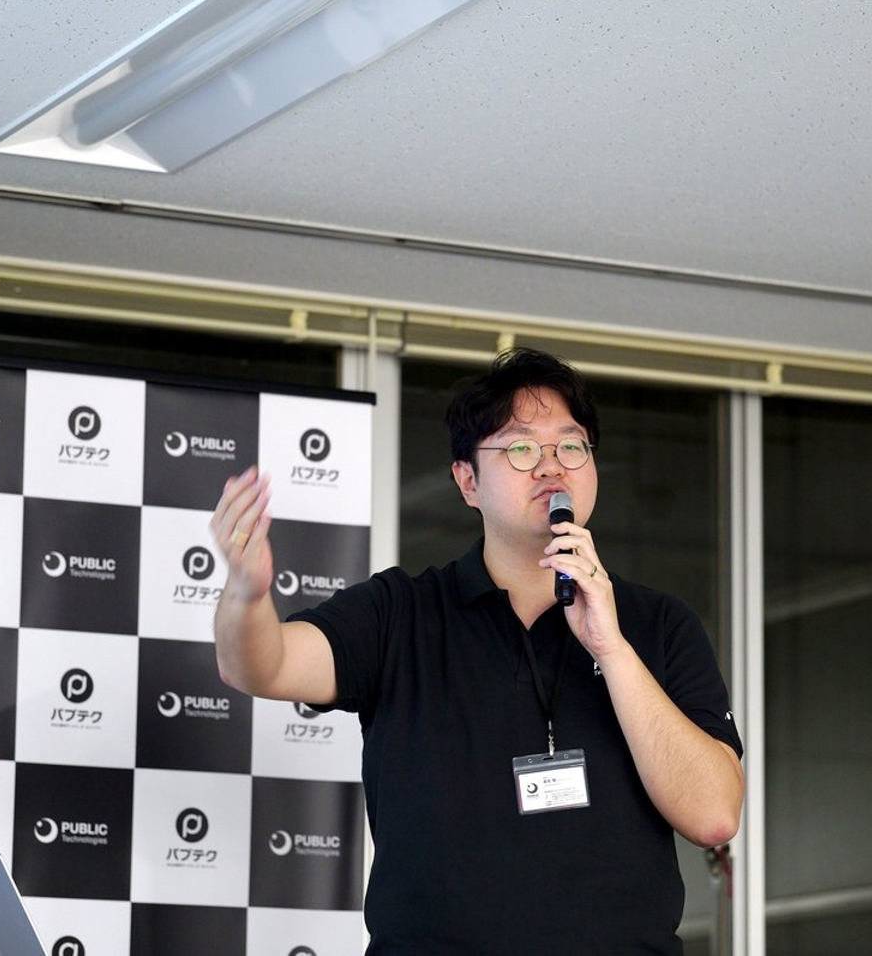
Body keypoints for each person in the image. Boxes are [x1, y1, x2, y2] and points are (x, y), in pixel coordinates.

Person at [211, 348, 744, 954]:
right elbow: (262, 665)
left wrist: (612, 647)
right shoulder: (401, 613)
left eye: (571, 446)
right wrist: (247, 593)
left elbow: (713, 815)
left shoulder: (659, 624)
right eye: (521, 449)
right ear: (468, 481)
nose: (551, 466)